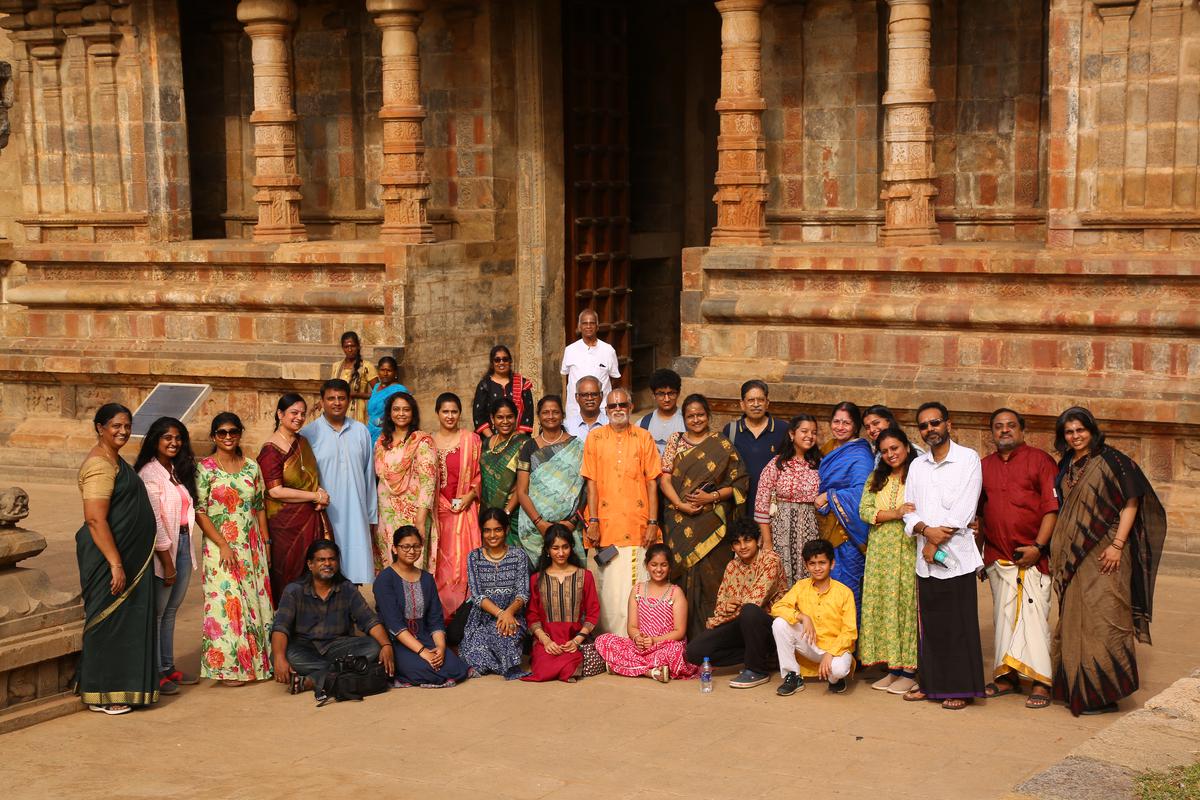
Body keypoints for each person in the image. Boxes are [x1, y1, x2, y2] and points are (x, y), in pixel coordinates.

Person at [1050, 406, 1166, 716]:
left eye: (1080, 430)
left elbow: (1132, 500)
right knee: (1075, 620)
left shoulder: (1113, 461)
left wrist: (1118, 544)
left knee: (1104, 618)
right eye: (1069, 432)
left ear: (1092, 429)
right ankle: (1077, 687)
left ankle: (1104, 692)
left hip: (1105, 554)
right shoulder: (1067, 464)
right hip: (1074, 556)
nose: (1075, 436)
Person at [75, 403, 159, 714]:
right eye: (116, 426)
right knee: (107, 621)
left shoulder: (114, 459)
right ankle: (102, 692)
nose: (123, 431)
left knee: (125, 623)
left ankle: (120, 685)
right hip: (107, 558)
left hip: (124, 555)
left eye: (127, 425)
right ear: (100, 427)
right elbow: (95, 519)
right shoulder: (100, 465)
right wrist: (115, 562)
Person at [901, 402, 985, 710]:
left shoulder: (968, 459)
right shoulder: (917, 466)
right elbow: (909, 510)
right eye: (923, 426)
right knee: (932, 625)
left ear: (948, 424)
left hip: (957, 556)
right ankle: (931, 684)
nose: (929, 429)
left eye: (934, 423)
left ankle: (961, 688)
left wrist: (935, 540)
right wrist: (924, 529)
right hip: (925, 557)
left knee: (958, 624)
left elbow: (965, 509)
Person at [977, 408, 1060, 710]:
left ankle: (1041, 680)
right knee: (1003, 618)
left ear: (1022, 430)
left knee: (1035, 619)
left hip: (1035, 556)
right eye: (998, 427)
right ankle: (1006, 675)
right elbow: (979, 514)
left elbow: (1052, 508)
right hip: (998, 556)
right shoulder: (984, 466)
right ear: (992, 432)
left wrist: (1039, 546)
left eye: (1010, 426)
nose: (1004, 431)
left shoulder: (1040, 461)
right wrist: (979, 554)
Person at [658, 394, 748, 638]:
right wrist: (681, 505)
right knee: (681, 576)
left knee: (712, 580)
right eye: (690, 416)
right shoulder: (675, 441)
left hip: (712, 525)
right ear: (683, 418)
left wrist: (712, 497)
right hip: (679, 521)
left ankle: (713, 639)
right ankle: (680, 639)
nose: (696, 419)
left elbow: (739, 483)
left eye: (700, 414)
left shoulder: (721, 444)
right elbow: (664, 478)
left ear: (708, 416)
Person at [194, 412, 274, 686]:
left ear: (240, 433)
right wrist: (223, 544)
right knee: (227, 605)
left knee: (254, 601)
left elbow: (259, 506)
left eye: (232, 432)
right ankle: (230, 667)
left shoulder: (251, 467)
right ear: (214, 436)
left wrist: (265, 543)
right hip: (220, 546)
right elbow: (200, 511)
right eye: (221, 433)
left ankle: (258, 663)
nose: (227, 437)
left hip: (251, 545)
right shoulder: (204, 469)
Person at [270, 540, 394, 699]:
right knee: (280, 655)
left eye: (332, 559)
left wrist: (386, 645)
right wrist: (280, 658)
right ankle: (343, 670)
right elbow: (281, 627)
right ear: (310, 564)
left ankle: (313, 680)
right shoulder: (294, 590)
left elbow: (369, 620)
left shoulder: (347, 588)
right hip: (304, 647)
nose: (327, 563)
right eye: (321, 560)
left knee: (374, 647)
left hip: (338, 646)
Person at [582, 388, 662, 635]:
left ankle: (638, 643)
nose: (618, 410)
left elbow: (652, 482)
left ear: (630, 406)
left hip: (638, 525)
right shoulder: (595, 439)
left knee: (638, 587)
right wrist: (593, 520)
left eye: (622, 405)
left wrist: (652, 522)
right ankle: (613, 647)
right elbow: (591, 483)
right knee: (610, 592)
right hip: (606, 525)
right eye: (612, 406)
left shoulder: (643, 437)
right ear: (606, 411)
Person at [134, 416, 199, 696]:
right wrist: (167, 562)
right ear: (155, 440)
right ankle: (155, 671)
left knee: (171, 610)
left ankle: (168, 665)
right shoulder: (149, 473)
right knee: (158, 613)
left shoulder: (175, 469)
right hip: (165, 549)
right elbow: (156, 521)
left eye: (178, 438)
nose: (173, 443)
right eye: (167, 438)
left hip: (183, 542)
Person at [684, 517, 784, 689]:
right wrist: (726, 605)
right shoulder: (732, 566)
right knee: (694, 652)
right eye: (737, 543)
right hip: (739, 623)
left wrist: (728, 610)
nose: (743, 546)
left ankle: (757, 670)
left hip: (768, 625)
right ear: (732, 547)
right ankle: (763, 656)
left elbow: (755, 600)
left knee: (750, 612)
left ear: (757, 541)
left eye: (747, 540)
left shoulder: (770, 560)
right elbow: (720, 604)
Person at [857, 427, 919, 696]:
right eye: (884, 451)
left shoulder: (918, 475)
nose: (890, 454)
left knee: (904, 606)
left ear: (906, 446)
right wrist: (894, 513)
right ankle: (893, 669)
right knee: (883, 605)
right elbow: (864, 510)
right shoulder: (876, 477)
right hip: (880, 552)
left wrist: (887, 515)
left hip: (907, 549)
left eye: (894, 448)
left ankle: (909, 670)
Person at [300, 379, 377, 585]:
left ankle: (351, 608)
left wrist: (371, 516)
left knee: (355, 567)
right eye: (331, 398)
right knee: (325, 565)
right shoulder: (308, 434)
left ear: (349, 400)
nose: (336, 403)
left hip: (356, 511)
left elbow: (369, 476)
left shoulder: (361, 431)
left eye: (341, 398)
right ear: (322, 401)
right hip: (325, 513)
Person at [373, 526, 470, 688]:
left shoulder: (426, 579)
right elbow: (394, 625)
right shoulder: (385, 579)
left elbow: (435, 619)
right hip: (398, 641)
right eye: (405, 546)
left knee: (454, 667)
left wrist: (439, 647)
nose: (412, 551)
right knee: (424, 669)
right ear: (395, 549)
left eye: (416, 546)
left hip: (425, 637)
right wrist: (423, 652)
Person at [258, 393, 332, 604]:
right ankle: (286, 622)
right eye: (293, 413)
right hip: (284, 523)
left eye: (302, 413)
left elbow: (310, 476)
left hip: (310, 517)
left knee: (313, 570)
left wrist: (320, 493)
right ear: (280, 414)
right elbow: (275, 491)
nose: (299, 417)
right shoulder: (270, 449)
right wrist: (314, 495)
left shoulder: (302, 442)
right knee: (287, 570)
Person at [594, 544, 698, 683]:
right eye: (654, 564)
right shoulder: (637, 590)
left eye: (663, 565)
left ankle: (623, 666)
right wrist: (638, 638)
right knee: (603, 640)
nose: (659, 569)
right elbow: (631, 626)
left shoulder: (675, 592)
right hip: (640, 646)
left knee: (675, 652)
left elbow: (679, 632)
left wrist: (654, 641)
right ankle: (651, 671)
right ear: (646, 565)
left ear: (670, 567)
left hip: (665, 644)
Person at [770, 539, 858, 696]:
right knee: (779, 623)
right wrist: (802, 617)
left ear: (832, 564)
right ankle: (793, 676)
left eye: (822, 563)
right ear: (806, 565)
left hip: (836, 649)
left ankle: (835, 680)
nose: (817, 568)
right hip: (811, 646)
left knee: (838, 669)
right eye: (812, 563)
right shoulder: (801, 586)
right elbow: (777, 607)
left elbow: (850, 632)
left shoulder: (844, 593)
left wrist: (830, 653)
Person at [815, 401, 874, 613]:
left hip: (848, 534)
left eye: (846, 423)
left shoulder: (860, 454)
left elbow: (862, 493)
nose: (840, 427)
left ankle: (850, 644)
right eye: (836, 421)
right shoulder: (828, 448)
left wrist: (830, 496)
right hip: (825, 529)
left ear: (855, 425)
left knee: (847, 591)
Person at [514, 394, 586, 565]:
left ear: (562, 415)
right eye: (545, 412)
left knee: (572, 577)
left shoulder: (577, 447)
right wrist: (540, 524)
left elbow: (586, 489)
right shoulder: (528, 447)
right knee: (540, 580)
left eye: (555, 412)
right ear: (538, 416)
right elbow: (522, 491)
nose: (551, 416)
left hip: (570, 526)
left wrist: (573, 521)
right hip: (536, 529)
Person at [522, 525, 600, 682]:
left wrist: (577, 640)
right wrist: (545, 641)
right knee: (543, 670)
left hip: (575, 639)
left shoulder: (585, 576)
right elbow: (532, 615)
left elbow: (593, 612)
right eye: (555, 548)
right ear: (547, 550)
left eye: (565, 547)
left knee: (571, 662)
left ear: (571, 547)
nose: (561, 553)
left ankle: (569, 666)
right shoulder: (537, 579)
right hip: (547, 641)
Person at [459, 509, 530, 679]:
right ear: (482, 531)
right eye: (487, 530)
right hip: (482, 619)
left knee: (506, 636)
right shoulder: (474, 557)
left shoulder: (518, 555)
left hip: (513, 617)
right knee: (475, 660)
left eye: (497, 529)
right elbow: (477, 595)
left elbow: (523, 592)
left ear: (506, 530)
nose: (492, 535)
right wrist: (500, 614)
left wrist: (508, 613)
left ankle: (505, 661)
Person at [430, 392, 482, 621]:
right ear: (437, 413)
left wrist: (470, 496)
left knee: (463, 563)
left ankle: (463, 617)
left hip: (465, 512)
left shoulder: (471, 440)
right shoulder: (427, 442)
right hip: (437, 513)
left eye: (454, 411)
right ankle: (441, 616)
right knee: (440, 564)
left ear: (460, 413)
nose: (450, 416)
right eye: (445, 411)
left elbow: (480, 474)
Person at [754, 414, 823, 585]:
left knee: (808, 576)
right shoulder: (777, 463)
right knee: (779, 577)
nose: (810, 436)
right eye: (804, 431)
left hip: (809, 529)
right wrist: (768, 543)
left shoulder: (819, 464)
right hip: (780, 531)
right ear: (792, 434)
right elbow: (761, 504)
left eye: (814, 432)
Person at [373, 391, 437, 572]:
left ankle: (414, 599)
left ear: (413, 413)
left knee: (412, 558)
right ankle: (390, 600)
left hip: (413, 510)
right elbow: (379, 475)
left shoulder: (422, 441)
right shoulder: (381, 441)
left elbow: (428, 481)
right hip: (386, 510)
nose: (401, 413)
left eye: (406, 409)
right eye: (396, 409)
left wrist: (421, 518)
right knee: (388, 555)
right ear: (389, 413)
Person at [721, 379, 788, 511]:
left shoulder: (783, 429)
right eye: (751, 400)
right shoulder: (731, 431)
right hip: (739, 504)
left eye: (760, 400)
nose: (756, 404)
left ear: (767, 403)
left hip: (774, 505)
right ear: (742, 404)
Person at [480, 398, 532, 542]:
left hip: (514, 513)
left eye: (509, 417)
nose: (505, 421)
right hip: (488, 512)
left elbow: (524, 484)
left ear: (516, 418)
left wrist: (506, 513)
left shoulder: (524, 443)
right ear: (492, 418)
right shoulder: (485, 444)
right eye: (500, 417)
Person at [560, 308, 620, 420]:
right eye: (585, 323)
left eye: (592, 323)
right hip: (575, 410)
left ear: (597, 327)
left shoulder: (608, 350)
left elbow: (614, 378)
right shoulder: (570, 350)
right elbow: (566, 376)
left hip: (602, 409)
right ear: (579, 327)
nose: (588, 326)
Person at [472, 344, 535, 437]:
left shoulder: (522, 384)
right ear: (492, 363)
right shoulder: (485, 385)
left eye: (505, 359)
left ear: (510, 361)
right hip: (491, 439)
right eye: (497, 360)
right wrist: (492, 439)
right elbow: (478, 415)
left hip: (518, 439)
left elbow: (528, 413)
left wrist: (517, 439)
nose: (501, 362)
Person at [330, 330, 377, 425]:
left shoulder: (366, 366)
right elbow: (330, 390)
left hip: (358, 412)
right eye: (346, 347)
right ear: (343, 348)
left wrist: (356, 394)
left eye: (352, 346)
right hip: (338, 411)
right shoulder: (336, 366)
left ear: (358, 346)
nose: (350, 350)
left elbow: (378, 394)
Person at [637, 368, 685, 454]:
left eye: (671, 393)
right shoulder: (642, 424)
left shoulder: (688, 423)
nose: (666, 399)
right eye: (661, 394)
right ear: (653, 395)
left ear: (678, 393)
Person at [365, 356, 410, 445]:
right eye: (382, 370)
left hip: (388, 434)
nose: (385, 373)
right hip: (370, 432)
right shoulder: (376, 387)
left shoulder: (399, 390)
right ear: (378, 371)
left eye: (389, 370)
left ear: (395, 373)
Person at [563, 376, 607, 443]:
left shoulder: (611, 424)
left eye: (594, 394)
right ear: (577, 397)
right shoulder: (567, 427)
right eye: (585, 395)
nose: (590, 398)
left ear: (601, 396)